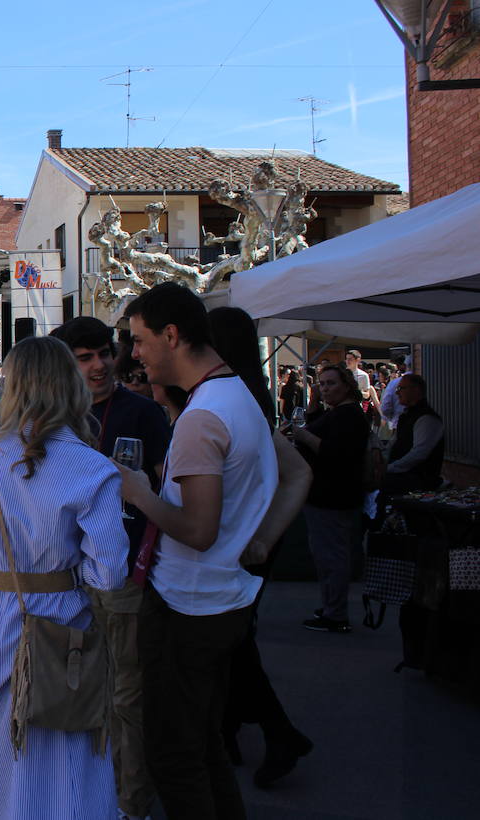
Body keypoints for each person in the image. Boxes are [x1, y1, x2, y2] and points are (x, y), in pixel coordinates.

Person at [0, 336, 128, 820]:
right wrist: (63, 580)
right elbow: (109, 573)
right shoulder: (95, 469)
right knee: (67, 753)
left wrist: (0, 578)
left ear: (12, 388)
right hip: (64, 627)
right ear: (71, 387)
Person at [115, 283, 282, 820]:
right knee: (203, 746)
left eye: (139, 341)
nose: (134, 355)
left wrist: (140, 492)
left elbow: (199, 528)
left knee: (174, 758)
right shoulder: (235, 398)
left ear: (171, 335)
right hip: (218, 599)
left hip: (190, 605)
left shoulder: (205, 415)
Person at [52, 315, 170, 820]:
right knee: (74, 694)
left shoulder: (142, 413)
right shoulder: (52, 421)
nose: (98, 365)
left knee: (126, 696)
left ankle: (131, 803)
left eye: (103, 353)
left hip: (122, 573)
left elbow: (163, 490)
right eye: (84, 358)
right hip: (63, 576)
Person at [205, 306, 314, 791]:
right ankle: (237, 733)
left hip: (233, 547)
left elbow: (299, 472)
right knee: (232, 643)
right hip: (240, 545)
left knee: (231, 643)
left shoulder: (232, 400)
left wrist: (263, 536)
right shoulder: (249, 395)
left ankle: (275, 732)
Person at [290, 363, 369, 634]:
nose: (325, 389)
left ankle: (336, 614)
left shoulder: (349, 416)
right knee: (326, 557)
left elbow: (336, 453)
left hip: (333, 496)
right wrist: (312, 409)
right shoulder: (337, 413)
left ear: (347, 385)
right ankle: (331, 607)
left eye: (331, 383)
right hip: (325, 495)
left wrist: (304, 436)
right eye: (322, 384)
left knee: (332, 557)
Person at [382, 373, 444, 494]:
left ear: (416, 390)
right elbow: (393, 444)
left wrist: (390, 468)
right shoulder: (405, 416)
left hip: (418, 485)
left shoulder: (427, 418)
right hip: (398, 481)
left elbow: (419, 454)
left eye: (401, 388)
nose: (397, 393)